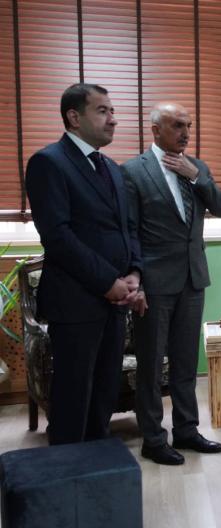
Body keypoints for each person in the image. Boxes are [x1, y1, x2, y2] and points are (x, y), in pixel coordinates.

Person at [25, 83, 142, 445]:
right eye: (103, 111)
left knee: (104, 397)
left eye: (112, 111)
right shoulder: (49, 163)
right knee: (73, 400)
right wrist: (108, 282)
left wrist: (134, 273)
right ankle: (69, 471)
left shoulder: (111, 168)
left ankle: (98, 467)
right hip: (76, 304)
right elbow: (58, 237)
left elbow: (128, 228)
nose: (113, 119)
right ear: (74, 118)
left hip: (115, 305)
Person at [122, 102, 221, 465]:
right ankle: (153, 439)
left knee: (186, 362)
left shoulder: (197, 167)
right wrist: (136, 280)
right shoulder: (133, 171)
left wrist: (196, 176)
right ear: (155, 130)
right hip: (154, 283)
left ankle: (186, 430)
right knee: (152, 366)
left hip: (192, 279)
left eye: (188, 125)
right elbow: (129, 232)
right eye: (177, 126)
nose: (185, 133)